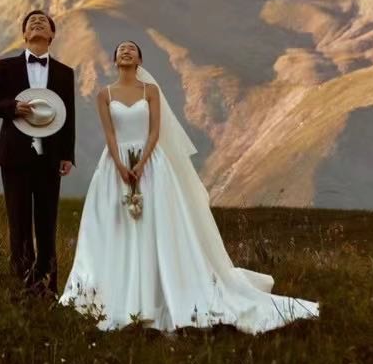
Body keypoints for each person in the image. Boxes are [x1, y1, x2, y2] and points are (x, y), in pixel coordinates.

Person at [59, 40, 319, 332]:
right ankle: (120, 294)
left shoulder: (151, 91)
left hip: (151, 163)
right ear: (114, 60)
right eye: (121, 50)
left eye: (132, 49)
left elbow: (155, 131)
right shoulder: (104, 94)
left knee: (156, 225)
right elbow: (110, 133)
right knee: (117, 226)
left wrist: (142, 163)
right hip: (115, 164)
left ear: (140, 59)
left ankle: (160, 293)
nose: (126, 51)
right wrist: (120, 164)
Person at [0, 9, 76, 296]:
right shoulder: (6, 67)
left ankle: (48, 285)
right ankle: (22, 286)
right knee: (18, 221)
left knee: (47, 221)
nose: (36, 22)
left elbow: (68, 116)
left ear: (51, 35)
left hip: (50, 157)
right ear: (24, 34)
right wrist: (12, 107)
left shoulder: (64, 72)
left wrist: (67, 154)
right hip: (14, 156)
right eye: (31, 21)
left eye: (43, 21)